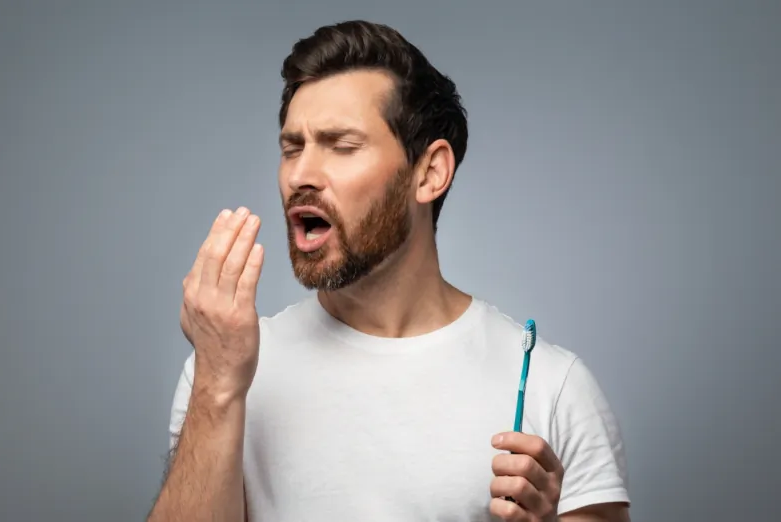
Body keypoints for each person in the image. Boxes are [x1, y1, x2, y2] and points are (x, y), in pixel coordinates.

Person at [147, 20, 630, 522]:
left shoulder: (553, 387)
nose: (300, 175)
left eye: (341, 146)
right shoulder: (226, 370)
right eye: (292, 148)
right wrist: (218, 386)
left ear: (430, 173)